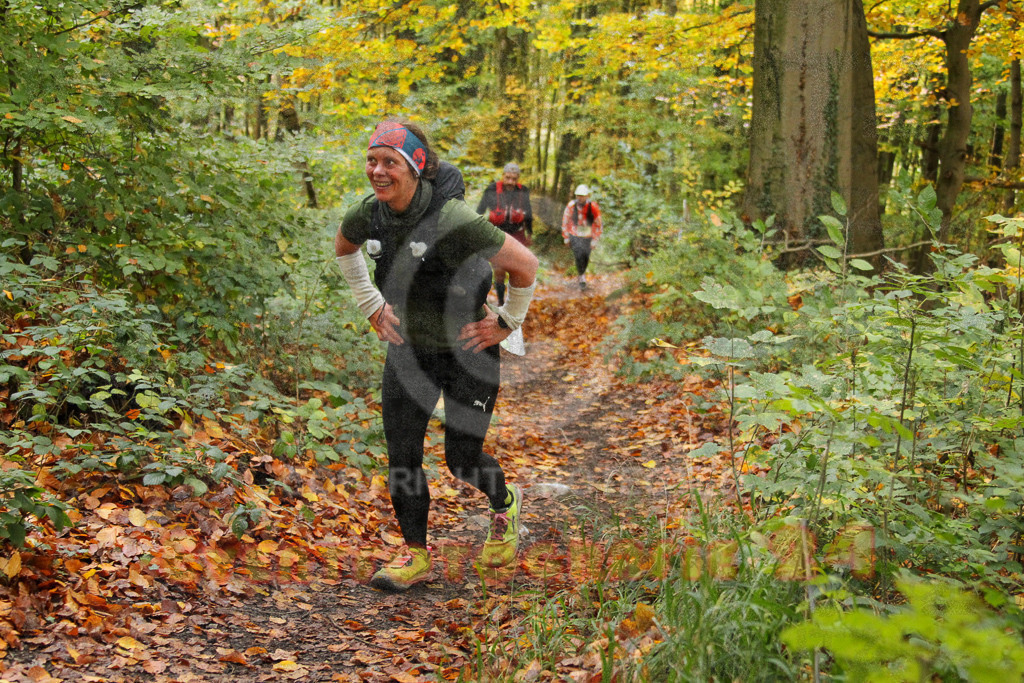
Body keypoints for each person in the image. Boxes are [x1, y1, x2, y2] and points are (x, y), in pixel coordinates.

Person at [334, 119, 539, 592]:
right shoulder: (370, 213)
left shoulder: (452, 219)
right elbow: (345, 249)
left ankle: (505, 503)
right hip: (408, 352)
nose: (378, 171)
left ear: (415, 167)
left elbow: (525, 266)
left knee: (462, 459)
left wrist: (506, 322)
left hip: (468, 351)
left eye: (390, 162)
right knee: (402, 458)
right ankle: (416, 556)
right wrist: (370, 304)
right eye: (372, 160)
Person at [476, 162, 533, 305]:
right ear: (503, 176)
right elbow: (480, 210)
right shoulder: (492, 190)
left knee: (518, 269)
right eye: (508, 178)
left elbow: (528, 213)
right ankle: (501, 302)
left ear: (518, 178)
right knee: (499, 271)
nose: (510, 182)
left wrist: (530, 233)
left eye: (514, 179)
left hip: (517, 234)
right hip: (497, 233)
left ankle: (514, 302)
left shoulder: (523, 191)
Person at [561, 184, 603, 289]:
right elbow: (565, 221)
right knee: (578, 254)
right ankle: (581, 276)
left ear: (587, 196)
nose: (580, 198)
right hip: (575, 233)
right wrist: (566, 237)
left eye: (582, 196)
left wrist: (595, 240)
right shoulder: (571, 205)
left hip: (588, 234)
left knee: (586, 255)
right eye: (578, 195)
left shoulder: (593, 206)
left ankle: (582, 272)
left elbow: (599, 224)